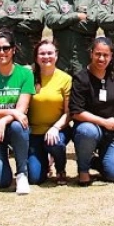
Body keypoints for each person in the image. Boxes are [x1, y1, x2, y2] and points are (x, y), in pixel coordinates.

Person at [0, 31, 35, 194]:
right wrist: (11, 112)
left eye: (6, 48)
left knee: (19, 125)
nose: (1, 53)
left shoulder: (25, 74)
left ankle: (22, 173)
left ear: (14, 49)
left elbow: (22, 110)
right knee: (2, 182)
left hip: (12, 127)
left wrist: (3, 121)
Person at [70, 37, 114, 185]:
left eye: (105, 55)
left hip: (111, 133)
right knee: (87, 131)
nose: (101, 58)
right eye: (98, 54)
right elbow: (76, 112)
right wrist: (103, 122)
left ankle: (95, 161)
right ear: (91, 53)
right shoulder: (81, 78)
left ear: (111, 56)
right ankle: (83, 170)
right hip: (88, 128)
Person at [27, 39, 71, 185]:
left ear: (56, 56)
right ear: (36, 57)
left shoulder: (65, 79)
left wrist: (55, 128)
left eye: (50, 53)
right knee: (34, 179)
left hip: (57, 130)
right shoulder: (28, 77)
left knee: (56, 144)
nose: (46, 57)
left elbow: (68, 112)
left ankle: (60, 169)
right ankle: (44, 163)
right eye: (42, 53)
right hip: (34, 133)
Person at [45, 0, 101, 74]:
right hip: (60, 60)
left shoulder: (93, 0)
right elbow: (50, 20)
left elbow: (92, 25)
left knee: (83, 90)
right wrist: (76, 16)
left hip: (84, 61)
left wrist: (63, 23)